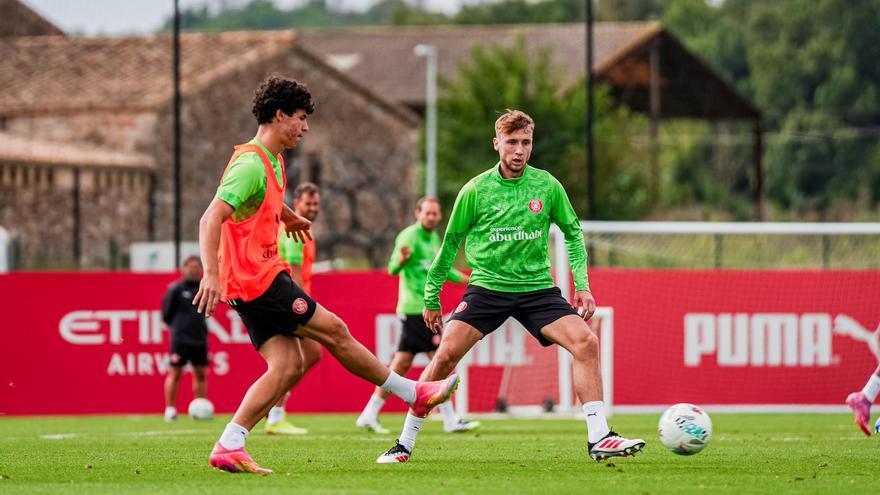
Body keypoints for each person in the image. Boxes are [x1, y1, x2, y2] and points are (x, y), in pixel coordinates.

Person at [195, 75, 459, 474]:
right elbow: (211, 216)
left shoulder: (272, 160)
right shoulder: (251, 162)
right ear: (279, 115)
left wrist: (289, 215)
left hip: (248, 282)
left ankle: (230, 444)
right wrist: (209, 275)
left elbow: (258, 201)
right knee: (334, 329)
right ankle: (412, 393)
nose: (305, 127)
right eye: (300, 118)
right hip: (257, 279)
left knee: (287, 366)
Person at [376, 110, 645, 464]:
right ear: (497, 144)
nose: (519, 150)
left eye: (526, 142)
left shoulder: (547, 185)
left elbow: (573, 232)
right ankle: (404, 443)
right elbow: (450, 244)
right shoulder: (475, 190)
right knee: (444, 357)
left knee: (586, 342)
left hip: (537, 290)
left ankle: (599, 436)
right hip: (487, 288)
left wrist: (582, 284)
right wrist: (431, 296)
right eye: (512, 142)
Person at [356, 197, 479, 434]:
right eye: (427, 213)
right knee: (443, 360)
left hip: (422, 309)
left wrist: (466, 279)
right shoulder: (408, 237)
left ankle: (369, 414)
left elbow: (440, 268)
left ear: (440, 216)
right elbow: (392, 268)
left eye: (435, 213)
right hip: (416, 309)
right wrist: (401, 260)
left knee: (401, 364)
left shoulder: (433, 238)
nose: (431, 217)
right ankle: (450, 419)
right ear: (418, 213)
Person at [263, 181, 322, 435]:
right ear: (296, 204)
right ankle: (273, 410)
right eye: (308, 203)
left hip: (289, 301)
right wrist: (306, 309)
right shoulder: (297, 231)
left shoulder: (300, 230)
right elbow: (296, 275)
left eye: (316, 204)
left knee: (303, 359)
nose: (312, 208)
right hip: (292, 303)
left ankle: (274, 408)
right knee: (292, 363)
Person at [162, 255, 209, 422]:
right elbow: (166, 315)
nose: (195, 270)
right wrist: (180, 328)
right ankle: (170, 410)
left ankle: (201, 409)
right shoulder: (175, 289)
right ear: (184, 269)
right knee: (175, 372)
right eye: (191, 267)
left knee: (200, 373)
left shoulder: (205, 288)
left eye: (198, 267)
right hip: (180, 339)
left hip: (200, 338)